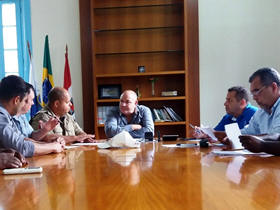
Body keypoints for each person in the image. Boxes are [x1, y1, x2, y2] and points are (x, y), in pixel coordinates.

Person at [0, 75, 64, 157]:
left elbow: (22, 139)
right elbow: (21, 147)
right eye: (24, 101)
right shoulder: (1, 116)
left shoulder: (7, 116)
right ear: (16, 100)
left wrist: (50, 144)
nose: (26, 104)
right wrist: (53, 147)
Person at [31, 87, 95, 143]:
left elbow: (80, 132)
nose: (71, 104)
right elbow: (45, 138)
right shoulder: (42, 117)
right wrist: (75, 138)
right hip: (52, 156)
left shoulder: (67, 116)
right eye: (67, 102)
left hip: (70, 154)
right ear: (56, 104)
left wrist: (86, 138)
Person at [193, 86, 257, 140]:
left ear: (242, 103)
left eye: (230, 100)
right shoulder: (228, 117)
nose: (225, 104)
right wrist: (204, 134)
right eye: (226, 100)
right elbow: (216, 134)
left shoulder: (255, 114)